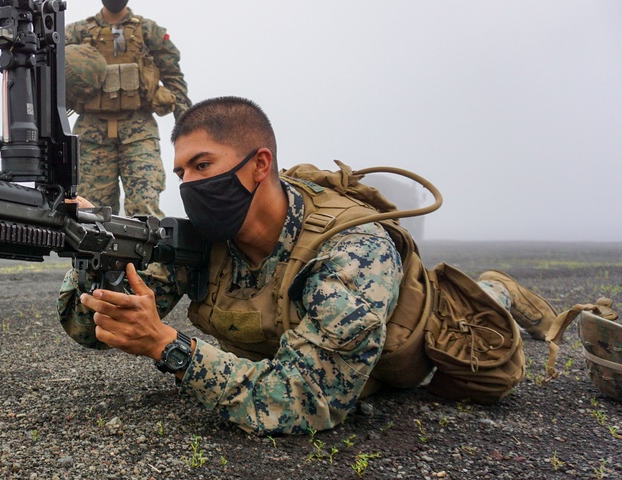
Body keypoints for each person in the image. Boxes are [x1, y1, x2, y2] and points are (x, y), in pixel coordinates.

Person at [58, 96, 561, 436]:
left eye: (204, 165)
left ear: (259, 165)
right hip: (297, 344)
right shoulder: (203, 241)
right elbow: (90, 328)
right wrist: (94, 250)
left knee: (478, 359)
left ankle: (497, 290)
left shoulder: (351, 251)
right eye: (181, 172)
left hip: (418, 333)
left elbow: (305, 400)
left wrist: (168, 347)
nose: (189, 185)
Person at [64, 0, 191, 217]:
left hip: (139, 133)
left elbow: (174, 78)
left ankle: (147, 255)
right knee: (90, 214)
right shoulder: (76, 33)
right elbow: (47, 71)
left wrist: (188, 129)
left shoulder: (150, 32)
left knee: (145, 210)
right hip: (92, 137)